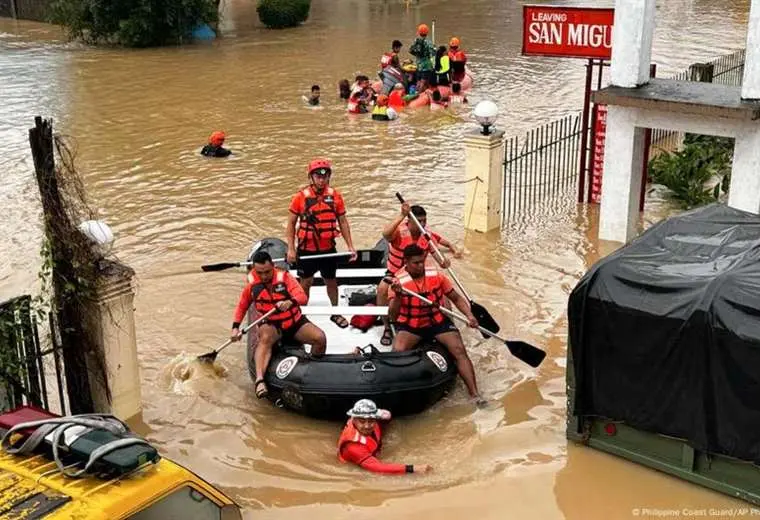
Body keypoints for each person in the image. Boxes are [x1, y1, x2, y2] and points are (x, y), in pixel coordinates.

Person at [388, 244, 483, 403]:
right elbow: (393, 314)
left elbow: (456, 298)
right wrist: (398, 295)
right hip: (412, 326)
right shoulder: (397, 282)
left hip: (436, 322)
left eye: (422, 262)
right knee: (398, 352)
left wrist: (469, 315)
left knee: (459, 350)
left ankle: (475, 395)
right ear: (406, 262)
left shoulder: (437, 277)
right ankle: (396, 394)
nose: (420, 266)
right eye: (416, 263)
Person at [230, 251, 327, 399]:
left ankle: (312, 369)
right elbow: (242, 306)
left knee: (320, 338)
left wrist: (290, 301)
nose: (264, 276)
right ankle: (260, 380)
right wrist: (235, 327)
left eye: (267, 272)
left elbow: (302, 296)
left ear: (273, 266)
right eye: (260, 272)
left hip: (293, 322)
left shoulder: (285, 278)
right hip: (270, 323)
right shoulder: (252, 285)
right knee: (265, 338)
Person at [376, 203, 461, 346]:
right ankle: (387, 327)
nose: (422, 224)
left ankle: (448, 324)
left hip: (418, 272)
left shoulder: (426, 234)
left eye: (424, 221)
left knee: (442, 291)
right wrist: (402, 214)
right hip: (396, 272)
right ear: (409, 221)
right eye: (418, 221)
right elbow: (385, 234)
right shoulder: (399, 233)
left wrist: (444, 261)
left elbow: (436, 254)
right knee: (382, 289)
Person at [286, 159, 357, 329]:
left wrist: (350, 246)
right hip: (307, 249)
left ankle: (335, 312)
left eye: (325, 177)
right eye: (318, 176)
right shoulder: (299, 198)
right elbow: (290, 224)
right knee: (305, 283)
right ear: (311, 178)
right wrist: (291, 248)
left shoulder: (335, 196)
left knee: (331, 281)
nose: (321, 180)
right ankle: (302, 315)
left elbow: (343, 222)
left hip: (328, 249)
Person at [338, 399, 433, 474]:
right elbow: (377, 467)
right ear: (354, 420)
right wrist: (412, 469)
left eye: (371, 421)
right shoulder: (353, 447)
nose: (367, 426)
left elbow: (386, 415)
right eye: (362, 421)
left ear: (376, 419)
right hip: (360, 461)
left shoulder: (378, 420)